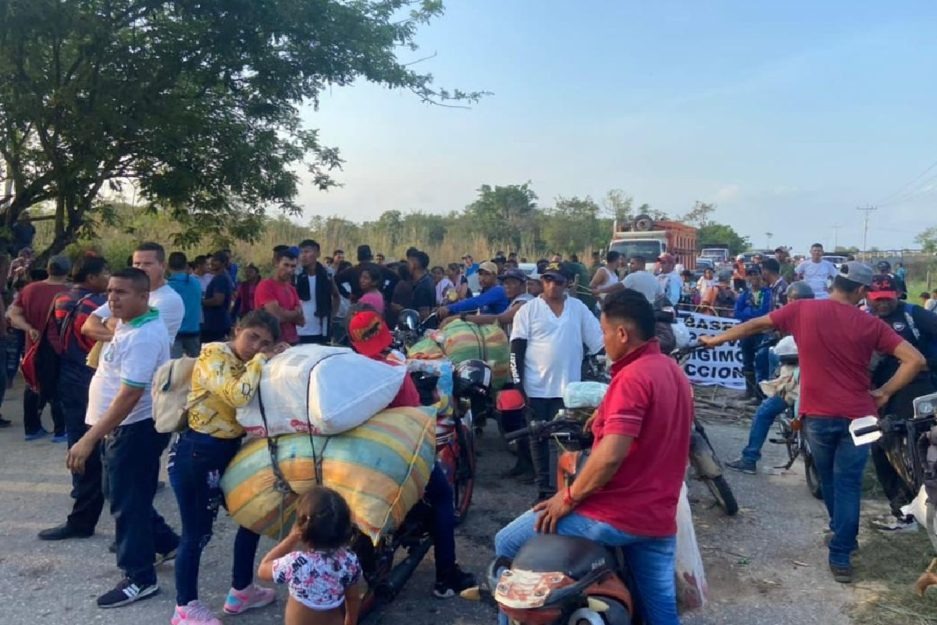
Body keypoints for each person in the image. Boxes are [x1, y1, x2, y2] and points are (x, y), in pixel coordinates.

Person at [701, 262, 926, 583]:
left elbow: (754, 325)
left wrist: (716, 339)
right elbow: (915, 360)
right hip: (860, 416)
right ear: (862, 291)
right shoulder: (871, 323)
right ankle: (841, 551)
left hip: (818, 416)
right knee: (847, 484)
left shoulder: (802, 310)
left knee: (830, 480)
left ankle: (841, 537)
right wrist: (884, 392)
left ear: (835, 283)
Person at [496, 289, 693, 625]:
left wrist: (567, 498)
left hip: (614, 514)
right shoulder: (671, 370)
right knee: (662, 613)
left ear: (622, 333)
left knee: (507, 542)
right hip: (658, 516)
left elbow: (609, 457)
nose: (603, 341)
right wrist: (604, 413)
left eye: (603, 333)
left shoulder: (631, 378)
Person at [66, 268, 181, 607]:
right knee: (121, 493)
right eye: (111, 291)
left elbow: (129, 395)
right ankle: (167, 541)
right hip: (120, 428)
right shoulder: (133, 323)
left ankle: (140, 577)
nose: (112, 298)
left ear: (144, 297)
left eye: (122, 293)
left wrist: (89, 439)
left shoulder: (143, 336)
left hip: (133, 429)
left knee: (126, 501)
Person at [347, 310, 475, 597]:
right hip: (396, 455)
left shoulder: (350, 370)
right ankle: (446, 577)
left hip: (355, 456)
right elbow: (413, 413)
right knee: (442, 497)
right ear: (384, 333)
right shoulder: (395, 368)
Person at [169, 311, 286, 625]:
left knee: (251, 516)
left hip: (228, 451)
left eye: (265, 342)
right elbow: (238, 395)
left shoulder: (247, 361)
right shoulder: (213, 355)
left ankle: (241, 591)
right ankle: (184, 608)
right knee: (197, 533)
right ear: (237, 330)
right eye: (252, 337)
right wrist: (263, 359)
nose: (256, 346)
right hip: (198, 453)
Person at [510, 262, 604, 501]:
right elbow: (515, 352)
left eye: (558, 281)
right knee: (538, 440)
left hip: (568, 391)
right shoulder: (528, 311)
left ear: (568, 283)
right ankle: (544, 491)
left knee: (564, 442)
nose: (552, 285)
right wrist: (519, 386)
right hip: (535, 388)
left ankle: (562, 493)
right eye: (548, 280)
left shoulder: (579, 309)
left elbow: (598, 343)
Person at [37, 255, 111, 541]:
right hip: (93, 377)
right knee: (97, 448)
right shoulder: (98, 307)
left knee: (80, 445)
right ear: (91, 277)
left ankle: (82, 506)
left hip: (69, 376)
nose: (108, 278)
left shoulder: (61, 300)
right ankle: (87, 515)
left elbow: (55, 341)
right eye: (104, 272)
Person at [866, 274, 937, 532]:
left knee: (923, 447)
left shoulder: (914, 315)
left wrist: (929, 362)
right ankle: (902, 511)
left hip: (918, 387)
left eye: (887, 298)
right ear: (867, 297)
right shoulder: (865, 319)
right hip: (882, 392)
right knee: (882, 446)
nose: (882, 304)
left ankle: (924, 506)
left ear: (898, 294)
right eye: (877, 299)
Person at [726, 281, 814, 474]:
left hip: (799, 380)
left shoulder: (790, 316)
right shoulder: (823, 318)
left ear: (790, 299)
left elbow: (756, 326)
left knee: (764, 412)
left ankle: (750, 458)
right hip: (822, 381)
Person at [257, 486, 363, 625]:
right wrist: (350, 622)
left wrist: (291, 538)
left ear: (303, 529)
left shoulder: (296, 562)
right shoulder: (349, 561)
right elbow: (353, 598)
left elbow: (263, 570)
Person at [7, 254, 71, 441]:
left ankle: (32, 428)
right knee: (59, 386)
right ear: (67, 271)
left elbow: (13, 314)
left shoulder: (30, 289)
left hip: (33, 347)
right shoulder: (68, 292)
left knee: (33, 384)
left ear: (49, 268)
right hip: (59, 347)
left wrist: (29, 328)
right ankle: (61, 430)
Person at [84, 242, 186, 344]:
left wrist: (104, 321)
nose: (140, 268)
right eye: (136, 264)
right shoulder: (126, 292)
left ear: (163, 266)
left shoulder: (169, 299)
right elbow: (88, 326)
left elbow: (142, 333)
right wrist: (119, 339)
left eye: (147, 264)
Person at [734, 266, 773, 401]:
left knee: (761, 362)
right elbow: (737, 312)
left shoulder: (767, 293)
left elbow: (764, 312)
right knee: (747, 361)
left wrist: (748, 314)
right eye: (749, 275)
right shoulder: (745, 294)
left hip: (761, 332)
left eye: (755, 274)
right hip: (746, 332)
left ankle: (760, 394)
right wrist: (751, 315)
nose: (752, 278)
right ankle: (748, 391)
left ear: (760, 276)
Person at [255, 249, 304, 345]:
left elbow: (301, 320)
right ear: (277, 264)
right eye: (286, 265)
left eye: (293, 266)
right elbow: (276, 317)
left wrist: (285, 314)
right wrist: (295, 313)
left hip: (292, 342)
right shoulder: (266, 285)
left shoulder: (292, 289)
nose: (289, 270)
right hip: (272, 343)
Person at [296, 239, 338, 345]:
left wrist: (331, 316)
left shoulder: (326, 274)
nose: (303, 256)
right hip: (297, 329)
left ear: (317, 253)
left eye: (307, 252)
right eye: (301, 252)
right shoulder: (296, 275)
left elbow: (336, 296)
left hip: (319, 328)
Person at [437, 261, 509, 319]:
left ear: (495, 276)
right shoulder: (485, 290)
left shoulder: (498, 290)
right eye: (480, 274)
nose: (482, 278)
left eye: (487, 274)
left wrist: (449, 308)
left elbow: (476, 302)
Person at [167, 252, 203, 358]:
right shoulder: (196, 282)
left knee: (174, 368)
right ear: (186, 265)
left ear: (168, 267)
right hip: (193, 329)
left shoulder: (168, 286)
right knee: (196, 366)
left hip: (175, 332)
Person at [200, 251, 235, 343]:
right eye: (212, 260)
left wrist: (200, 302)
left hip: (215, 323)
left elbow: (218, 300)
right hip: (218, 322)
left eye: (216, 260)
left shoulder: (221, 278)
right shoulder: (222, 276)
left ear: (223, 263)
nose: (212, 262)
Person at [407, 250, 436, 321]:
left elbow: (424, 315)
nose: (407, 266)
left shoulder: (422, 287)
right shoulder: (428, 280)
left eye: (408, 263)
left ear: (414, 264)